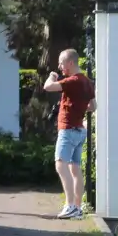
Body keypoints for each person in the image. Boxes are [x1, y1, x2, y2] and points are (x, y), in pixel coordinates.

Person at [43, 48, 94, 219]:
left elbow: (47, 87)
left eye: (61, 63)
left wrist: (52, 76)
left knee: (60, 165)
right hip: (79, 130)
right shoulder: (87, 81)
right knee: (75, 168)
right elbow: (93, 106)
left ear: (70, 63)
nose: (60, 66)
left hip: (68, 129)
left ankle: (70, 204)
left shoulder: (73, 81)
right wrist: (79, 107)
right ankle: (78, 208)